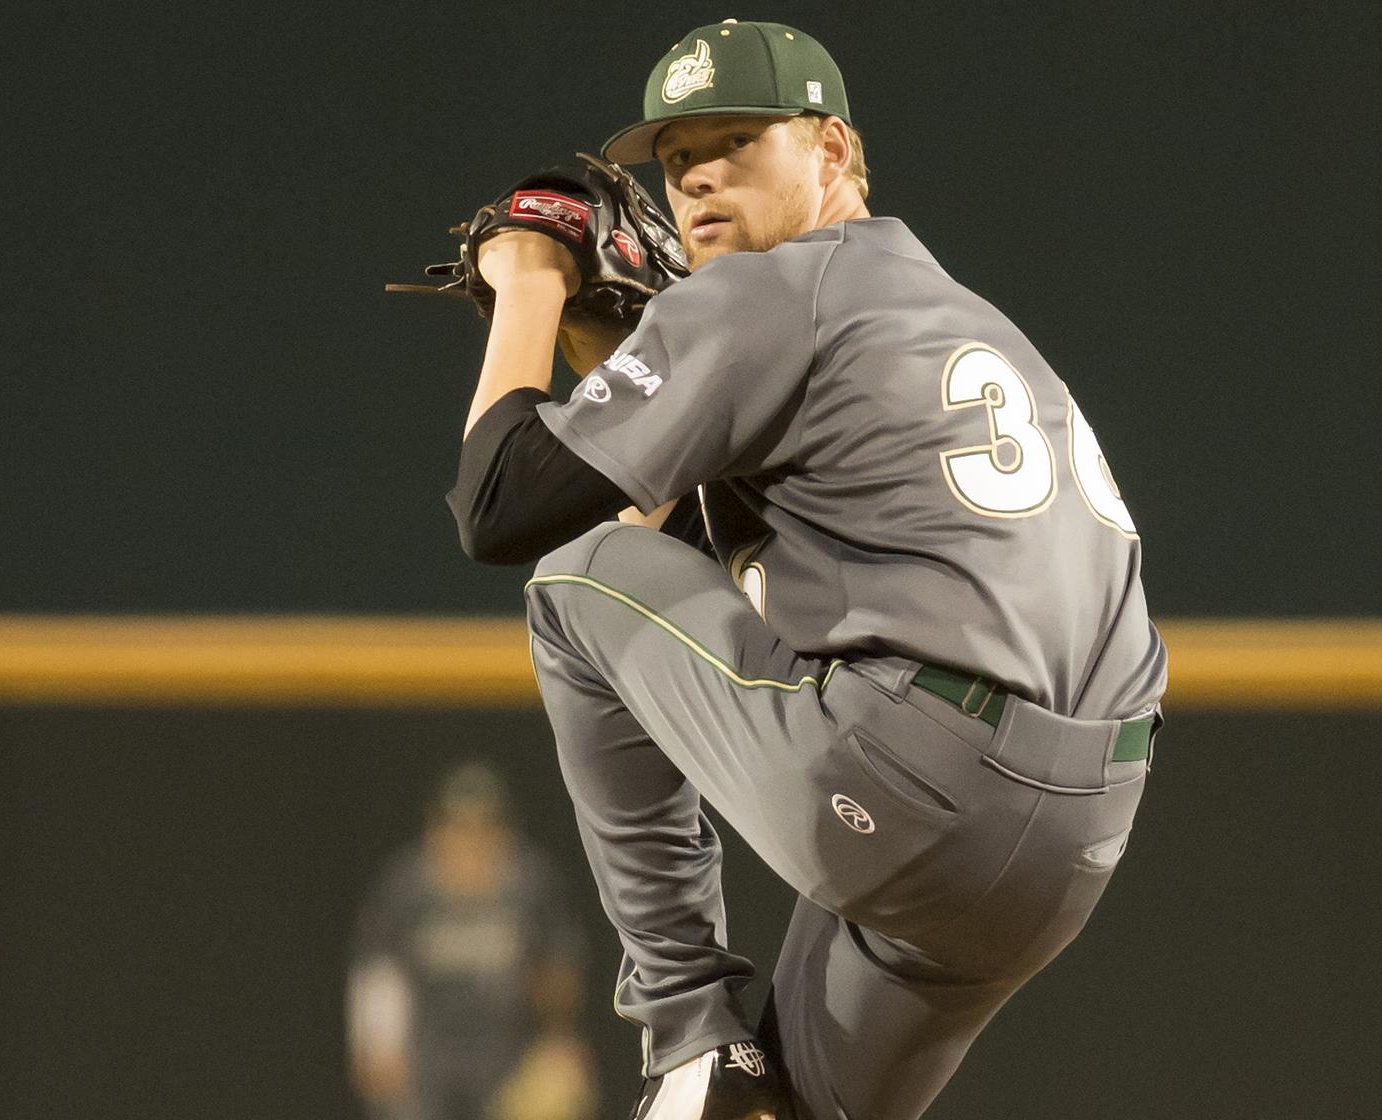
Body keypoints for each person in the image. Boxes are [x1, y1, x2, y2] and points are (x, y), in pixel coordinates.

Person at [444, 19, 1167, 1120]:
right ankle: (728, 1079)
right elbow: (716, 545)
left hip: (916, 778)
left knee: (572, 582)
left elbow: (503, 506)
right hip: (1080, 835)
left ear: (831, 151)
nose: (697, 178)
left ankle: (687, 1020)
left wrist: (529, 278)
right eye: (677, 159)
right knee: (784, 1110)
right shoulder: (953, 316)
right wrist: (621, 358)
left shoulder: (766, 291)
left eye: (736, 140)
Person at [347, 762, 598, 1120]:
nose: (471, 839)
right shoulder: (405, 889)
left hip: (507, 1056)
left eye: (484, 827)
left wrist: (559, 1040)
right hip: (426, 1059)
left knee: (558, 1085)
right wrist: (378, 1043)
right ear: (435, 829)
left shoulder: (530, 885)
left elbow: (558, 971)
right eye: (459, 826)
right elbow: (378, 970)